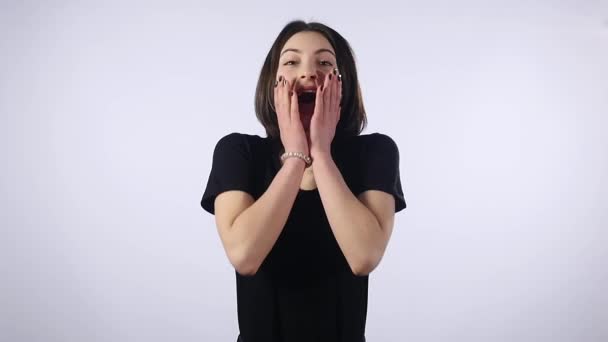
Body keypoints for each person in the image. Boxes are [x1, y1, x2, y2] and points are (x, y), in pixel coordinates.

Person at [200, 20, 407, 342]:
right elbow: (244, 255)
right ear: (274, 81)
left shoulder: (375, 151)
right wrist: (296, 156)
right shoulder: (238, 151)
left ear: (344, 82)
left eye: (325, 62)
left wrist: (321, 154)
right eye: (292, 61)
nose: (309, 72)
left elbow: (364, 256)